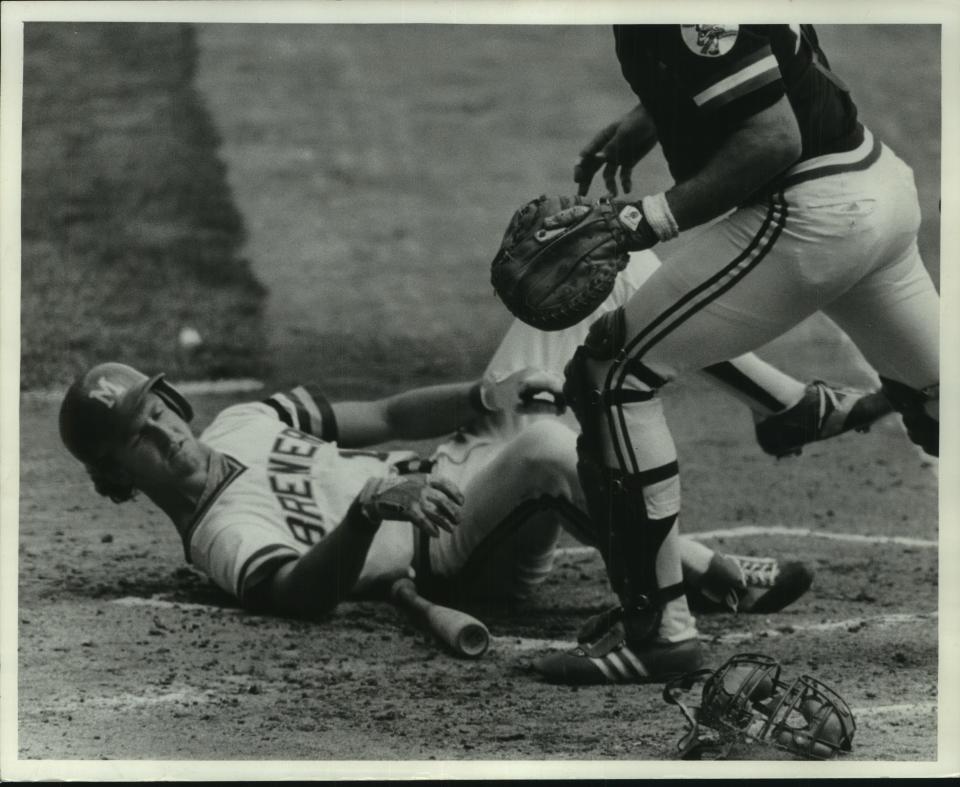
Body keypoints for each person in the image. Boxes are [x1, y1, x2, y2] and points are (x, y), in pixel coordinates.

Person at [529, 24, 939, 685]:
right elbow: (761, 61)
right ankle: (790, 410)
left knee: (613, 373)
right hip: (873, 186)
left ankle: (663, 632)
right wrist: (654, 115)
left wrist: (644, 219)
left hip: (811, 213)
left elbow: (773, 138)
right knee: (941, 399)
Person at [59, 349, 821, 627]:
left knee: (567, 292)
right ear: (115, 476)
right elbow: (295, 592)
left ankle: (786, 402)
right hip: (455, 547)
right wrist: (364, 513)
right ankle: (710, 576)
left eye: (157, 411)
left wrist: (489, 396)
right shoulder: (219, 536)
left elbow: (387, 413)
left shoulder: (242, 421)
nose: (164, 432)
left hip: (455, 471)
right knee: (552, 447)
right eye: (137, 436)